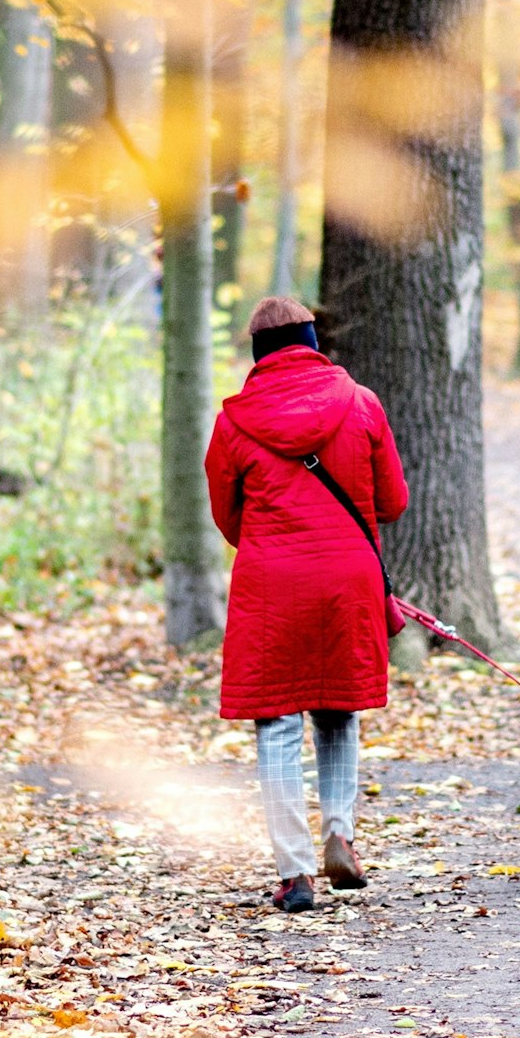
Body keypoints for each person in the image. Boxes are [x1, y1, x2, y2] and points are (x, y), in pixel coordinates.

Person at [204, 297, 409, 913]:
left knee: (277, 724)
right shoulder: (362, 403)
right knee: (339, 711)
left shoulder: (234, 423)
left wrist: (272, 539)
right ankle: (339, 833)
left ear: (258, 354)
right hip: (348, 578)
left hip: (271, 583)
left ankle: (294, 874)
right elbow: (393, 501)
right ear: (314, 340)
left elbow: (226, 515)